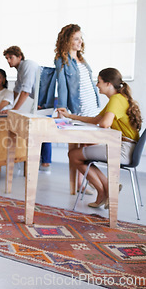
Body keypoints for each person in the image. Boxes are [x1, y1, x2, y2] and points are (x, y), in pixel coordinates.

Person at [57, 68, 142, 208]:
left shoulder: (116, 99)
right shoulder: (118, 99)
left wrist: (102, 122)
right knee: (81, 156)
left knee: (73, 155)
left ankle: (102, 192)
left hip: (123, 150)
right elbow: (96, 119)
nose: (97, 85)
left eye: (99, 81)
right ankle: (108, 188)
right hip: (126, 148)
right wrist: (70, 116)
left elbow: (104, 123)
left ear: (108, 84)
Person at [55, 24, 101, 191]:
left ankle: (87, 181)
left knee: (88, 147)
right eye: (76, 38)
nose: (80, 41)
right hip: (78, 107)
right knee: (80, 147)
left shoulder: (82, 59)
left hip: (92, 105)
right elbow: (62, 86)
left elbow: (89, 84)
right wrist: (62, 108)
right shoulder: (62, 60)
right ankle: (81, 183)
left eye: (81, 38)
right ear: (67, 40)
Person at [3, 46, 52, 171]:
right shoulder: (19, 70)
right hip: (39, 100)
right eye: (7, 58)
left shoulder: (27, 66)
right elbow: (17, 90)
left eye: (11, 57)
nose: (8, 60)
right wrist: (10, 106)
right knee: (37, 130)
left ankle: (46, 163)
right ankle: (37, 159)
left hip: (46, 99)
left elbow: (25, 91)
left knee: (43, 130)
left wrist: (13, 111)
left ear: (19, 57)